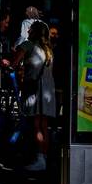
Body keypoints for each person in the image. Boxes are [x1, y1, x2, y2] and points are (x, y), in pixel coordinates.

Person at [11, 20, 56, 172]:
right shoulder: (48, 49)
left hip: (35, 88)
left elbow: (14, 62)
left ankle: (39, 159)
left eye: (30, 30)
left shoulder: (28, 45)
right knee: (44, 125)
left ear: (34, 32)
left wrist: (8, 63)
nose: (28, 31)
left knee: (36, 124)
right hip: (48, 90)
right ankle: (43, 157)